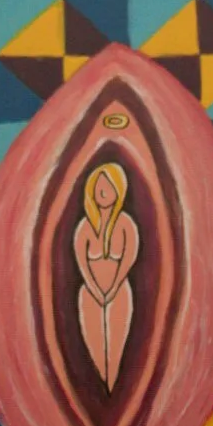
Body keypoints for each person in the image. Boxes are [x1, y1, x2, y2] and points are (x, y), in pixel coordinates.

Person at [74, 162, 140, 391]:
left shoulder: (125, 223)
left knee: (116, 346)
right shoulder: (85, 226)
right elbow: (82, 263)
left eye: (110, 185)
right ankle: (103, 388)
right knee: (95, 346)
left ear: (119, 190)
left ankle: (113, 386)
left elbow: (129, 259)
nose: (103, 191)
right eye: (99, 185)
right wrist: (94, 289)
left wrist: (112, 289)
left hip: (119, 290)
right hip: (89, 293)